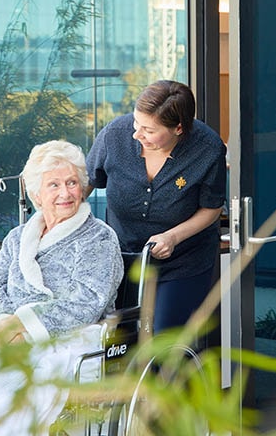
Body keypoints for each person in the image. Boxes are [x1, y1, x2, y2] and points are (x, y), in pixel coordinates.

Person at [0, 140, 124, 436]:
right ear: (36, 194)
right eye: (54, 185)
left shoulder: (99, 238)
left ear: (82, 187)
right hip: (3, 334)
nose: (65, 193)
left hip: (63, 338)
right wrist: (4, 327)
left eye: (72, 182)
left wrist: (22, 326)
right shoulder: (17, 238)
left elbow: (86, 302)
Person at [86, 80, 227, 334]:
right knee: (118, 340)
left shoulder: (207, 149)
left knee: (164, 338)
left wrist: (172, 237)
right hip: (121, 258)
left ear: (179, 128)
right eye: (136, 123)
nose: (136, 135)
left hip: (182, 262)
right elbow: (84, 183)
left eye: (148, 130)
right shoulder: (114, 135)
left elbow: (212, 208)